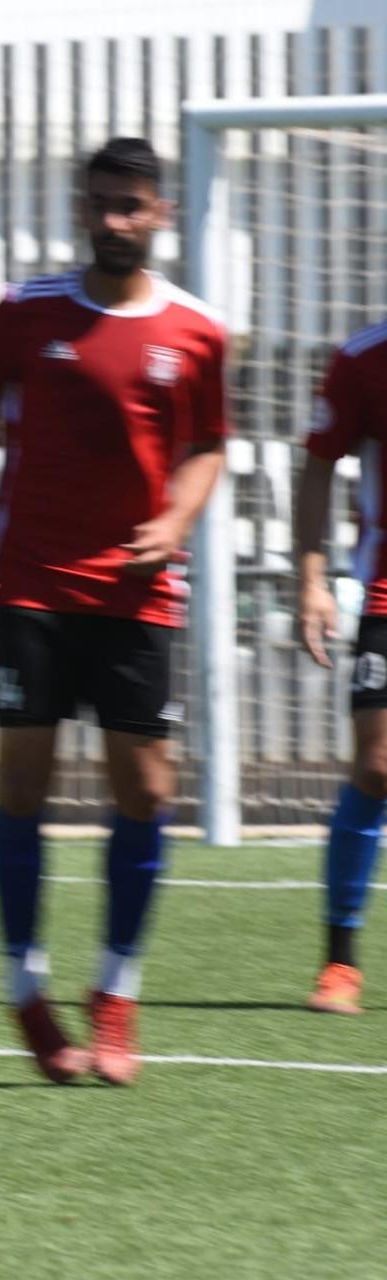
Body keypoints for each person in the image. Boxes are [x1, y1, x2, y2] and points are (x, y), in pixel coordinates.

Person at [0, 138, 231, 1084]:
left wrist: (176, 518)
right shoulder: (27, 315)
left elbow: (210, 446)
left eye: (130, 206)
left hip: (140, 595)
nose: (113, 221)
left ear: (161, 215)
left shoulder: (197, 332)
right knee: (23, 785)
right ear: (81, 206)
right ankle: (26, 987)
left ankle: (115, 994)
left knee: (144, 792)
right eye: (100, 204)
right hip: (31, 587)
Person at [293, 315, 387, 1017]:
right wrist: (312, 579)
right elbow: (320, 460)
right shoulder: (364, 358)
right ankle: (339, 961)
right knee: (377, 765)